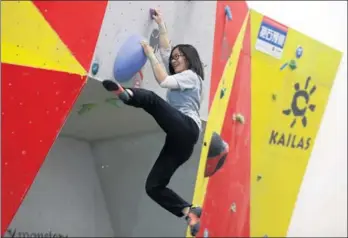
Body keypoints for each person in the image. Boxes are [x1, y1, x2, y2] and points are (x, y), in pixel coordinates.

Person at [102, 8, 204, 236]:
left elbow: (163, 80)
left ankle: (127, 95)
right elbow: (168, 49)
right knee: (153, 187)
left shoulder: (192, 77)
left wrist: (149, 51)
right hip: (180, 142)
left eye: (181, 57)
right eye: (175, 57)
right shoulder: (181, 73)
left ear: (191, 61)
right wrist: (161, 24)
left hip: (187, 127)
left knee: (150, 98)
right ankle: (189, 212)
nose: (175, 59)